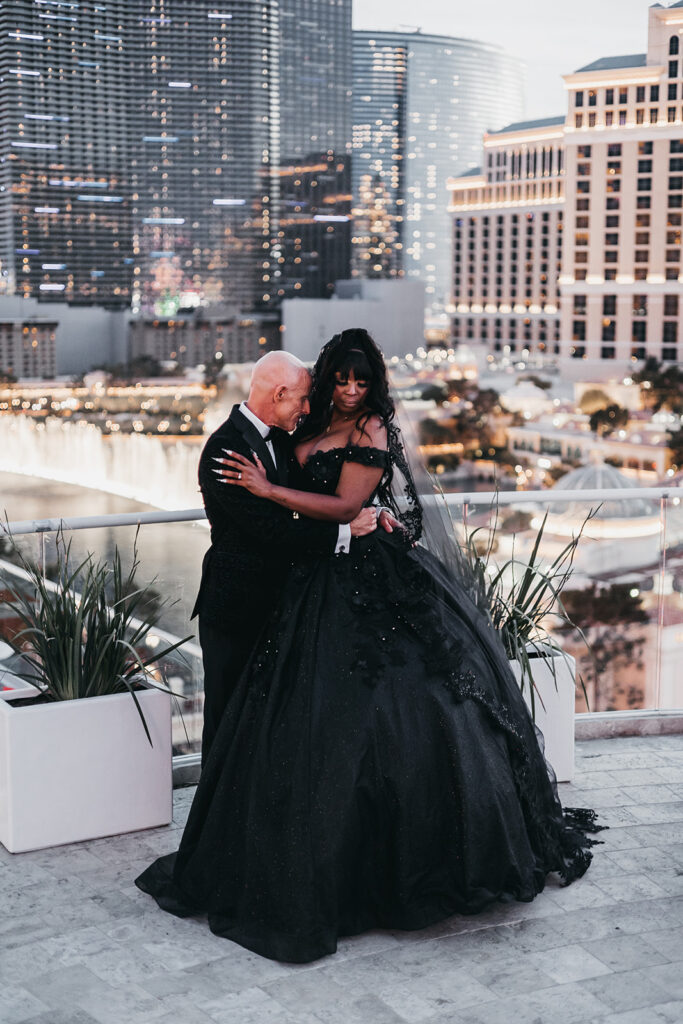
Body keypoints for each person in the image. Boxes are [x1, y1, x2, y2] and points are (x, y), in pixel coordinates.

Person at [135, 329, 602, 964]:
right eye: (339, 380)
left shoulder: (369, 427)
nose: (349, 390)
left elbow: (348, 504)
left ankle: (378, 860)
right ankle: (249, 841)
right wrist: (308, 512)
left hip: (361, 575)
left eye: (361, 380)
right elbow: (289, 523)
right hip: (296, 588)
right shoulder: (266, 437)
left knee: (392, 711)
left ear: (373, 383)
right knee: (287, 718)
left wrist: (282, 494)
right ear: (316, 384)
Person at [190, 350, 378, 765]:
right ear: (278, 394)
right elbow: (270, 530)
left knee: (267, 715)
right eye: (302, 399)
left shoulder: (281, 440)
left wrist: (374, 515)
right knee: (227, 714)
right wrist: (344, 532)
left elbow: (306, 501)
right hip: (235, 607)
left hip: (276, 603)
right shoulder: (226, 450)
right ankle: (216, 824)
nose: (308, 409)